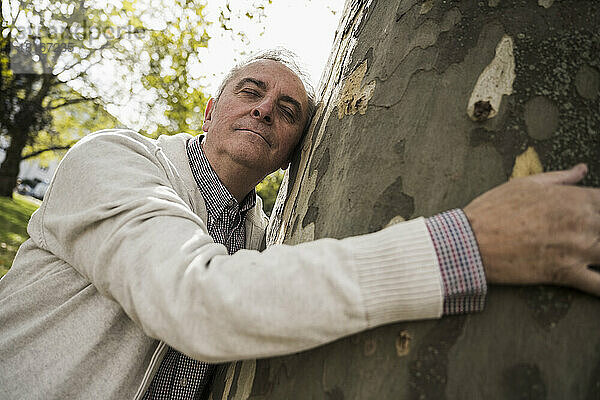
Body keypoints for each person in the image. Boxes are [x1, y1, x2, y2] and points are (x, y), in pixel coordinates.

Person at [0, 49, 598, 400]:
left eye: (289, 111)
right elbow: (196, 301)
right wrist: (465, 246)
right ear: (211, 109)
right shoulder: (112, 161)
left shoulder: (266, 245)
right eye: (250, 91)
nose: (265, 108)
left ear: (294, 153)